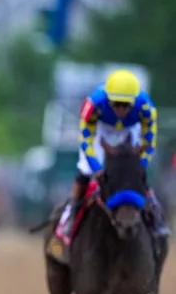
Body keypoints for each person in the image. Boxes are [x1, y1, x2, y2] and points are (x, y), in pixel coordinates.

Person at [58, 69, 169, 242]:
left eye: (126, 105)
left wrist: (139, 166)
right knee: (85, 170)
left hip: (130, 129)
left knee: (136, 174)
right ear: (108, 99)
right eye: (116, 104)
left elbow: (149, 141)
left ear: (134, 102)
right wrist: (96, 167)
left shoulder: (147, 107)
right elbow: (86, 139)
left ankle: (154, 213)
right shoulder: (93, 104)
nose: (121, 109)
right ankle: (72, 212)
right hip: (100, 128)